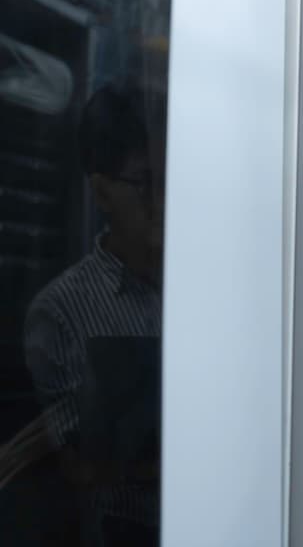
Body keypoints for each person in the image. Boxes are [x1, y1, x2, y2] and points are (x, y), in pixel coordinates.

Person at [22, 81, 165, 546]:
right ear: (102, 193)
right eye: (146, 183)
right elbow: (80, 468)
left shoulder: (211, 284)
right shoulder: (61, 312)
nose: (163, 200)